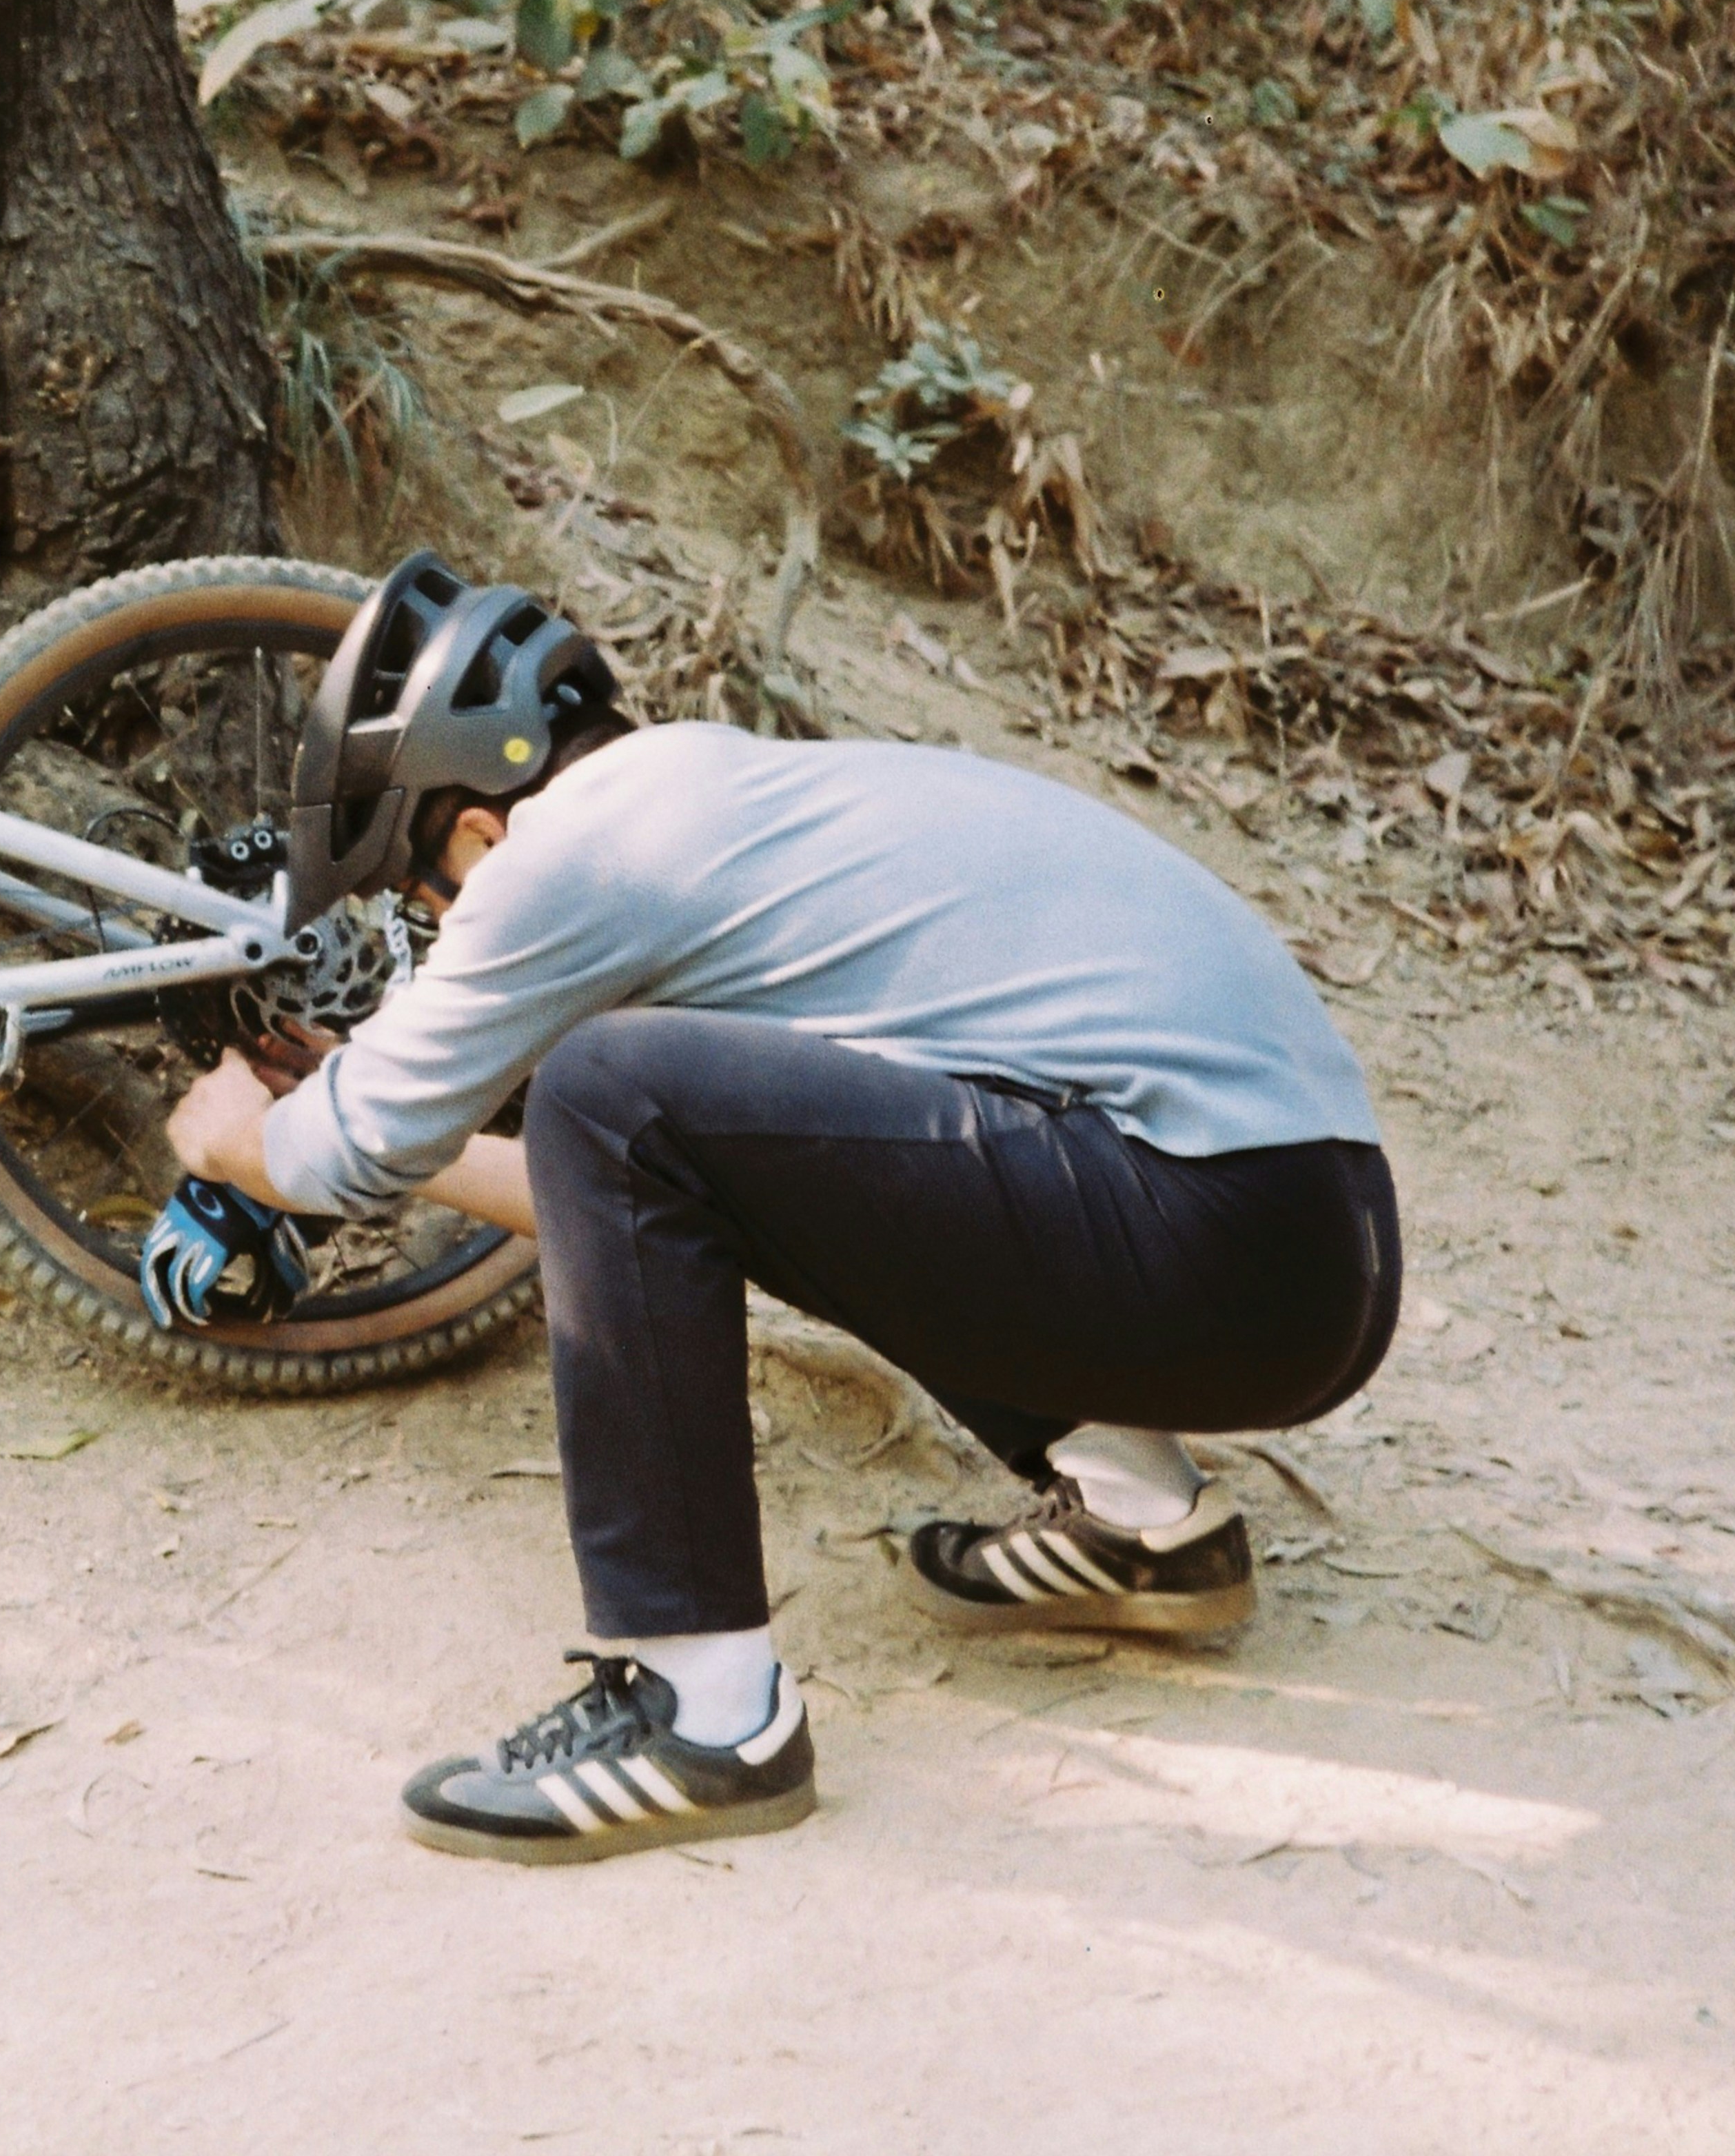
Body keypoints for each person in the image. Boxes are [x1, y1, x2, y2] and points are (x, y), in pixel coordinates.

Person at [163, 554, 1398, 1866]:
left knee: (601, 1082)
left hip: (1212, 1234)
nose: (440, 933)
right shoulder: (733, 803)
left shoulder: (567, 855)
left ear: (475, 830)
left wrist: (238, 1141)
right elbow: (652, 1202)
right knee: (680, 1108)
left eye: (426, 902)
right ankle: (1146, 1524)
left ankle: (706, 1721)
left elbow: (340, 1156)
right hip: (1299, 1242)